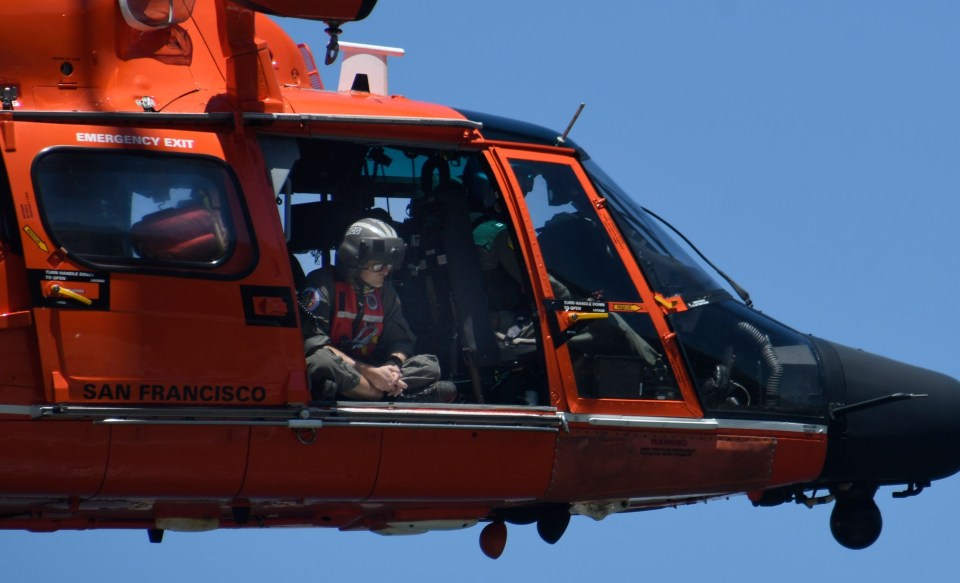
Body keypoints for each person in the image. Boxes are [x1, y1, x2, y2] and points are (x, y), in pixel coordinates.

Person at [299, 217, 458, 403]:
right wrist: (371, 374)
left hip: (373, 368)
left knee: (429, 365)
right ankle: (384, 396)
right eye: (378, 266)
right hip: (342, 366)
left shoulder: (385, 292)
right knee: (319, 362)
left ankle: (368, 390)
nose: (385, 272)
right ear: (353, 261)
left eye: (388, 266)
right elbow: (314, 344)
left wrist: (393, 366)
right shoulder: (323, 284)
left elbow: (402, 341)